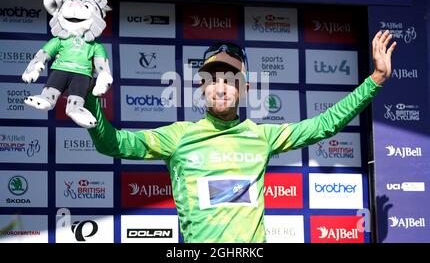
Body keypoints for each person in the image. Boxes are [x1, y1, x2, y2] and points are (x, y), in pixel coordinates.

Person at [85, 30, 396, 243]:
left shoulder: (261, 136)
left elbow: (323, 125)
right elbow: (113, 144)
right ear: (201, 87)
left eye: (231, 80)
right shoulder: (179, 137)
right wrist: (86, 100)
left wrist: (376, 79)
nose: (221, 87)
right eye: (212, 79)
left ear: (245, 89)